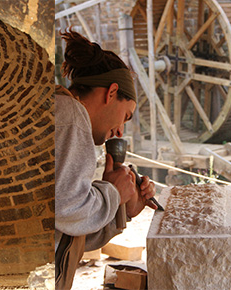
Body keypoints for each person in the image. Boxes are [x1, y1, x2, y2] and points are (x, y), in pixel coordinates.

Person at [55, 29, 157, 289]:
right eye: (126, 116)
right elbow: (68, 210)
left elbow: (71, 231)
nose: (121, 131)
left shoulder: (66, 115)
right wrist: (112, 191)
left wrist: (123, 208)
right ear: (112, 92)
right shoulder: (71, 115)